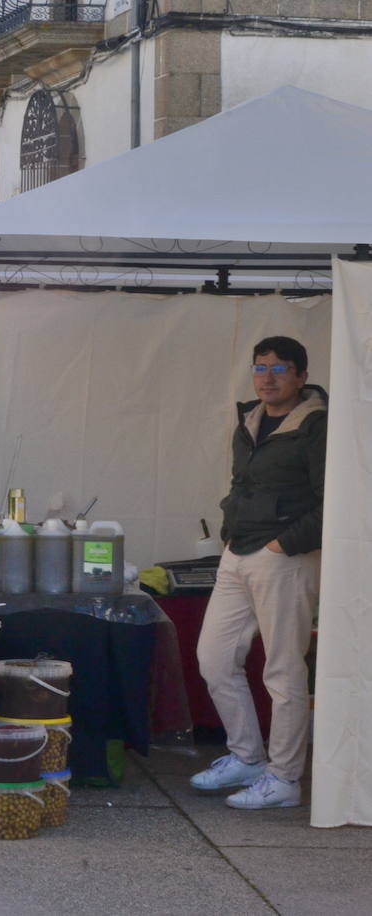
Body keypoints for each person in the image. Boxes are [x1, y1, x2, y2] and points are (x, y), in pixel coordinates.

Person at [191, 336, 326, 809]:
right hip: (238, 553)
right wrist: (231, 527)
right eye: (260, 367)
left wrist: (283, 543)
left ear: (301, 376)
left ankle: (285, 778)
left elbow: (334, 500)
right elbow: (239, 483)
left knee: (284, 670)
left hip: (284, 556)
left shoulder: (316, 425)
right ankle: (247, 756)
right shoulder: (247, 420)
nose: (267, 377)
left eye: (280, 368)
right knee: (213, 658)